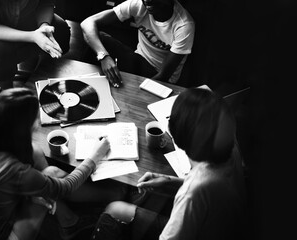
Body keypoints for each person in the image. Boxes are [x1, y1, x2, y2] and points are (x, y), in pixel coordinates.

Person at [0, 88, 127, 240]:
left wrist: (32, 191)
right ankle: (112, 196)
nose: (38, 120)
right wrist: (95, 156)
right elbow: (64, 187)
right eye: (35, 117)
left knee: (38, 158)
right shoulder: (14, 172)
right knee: (52, 177)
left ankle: (68, 221)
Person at [90, 88, 247, 240]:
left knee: (115, 210)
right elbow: (212, 187)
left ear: (178, 136)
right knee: (148, 196)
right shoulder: (229, 147)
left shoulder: (193, 191)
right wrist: (168, 181)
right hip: (226, 224)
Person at [0, 0, 71, 90]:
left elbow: (45, 3)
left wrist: (43, 26)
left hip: (23, 14)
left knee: (61, 29)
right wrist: (33, 36)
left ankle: (39, 70)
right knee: (0, 53)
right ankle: (7, 90)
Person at [80, 0, 195, 87]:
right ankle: (83, 87)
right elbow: (87, 23)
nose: (147, 0)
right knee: (99, 39)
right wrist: (103, 56)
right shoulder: (139, 5)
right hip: (138, 60)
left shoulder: (184, 26)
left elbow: (164, 76)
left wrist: (132, 92)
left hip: (158, 76)